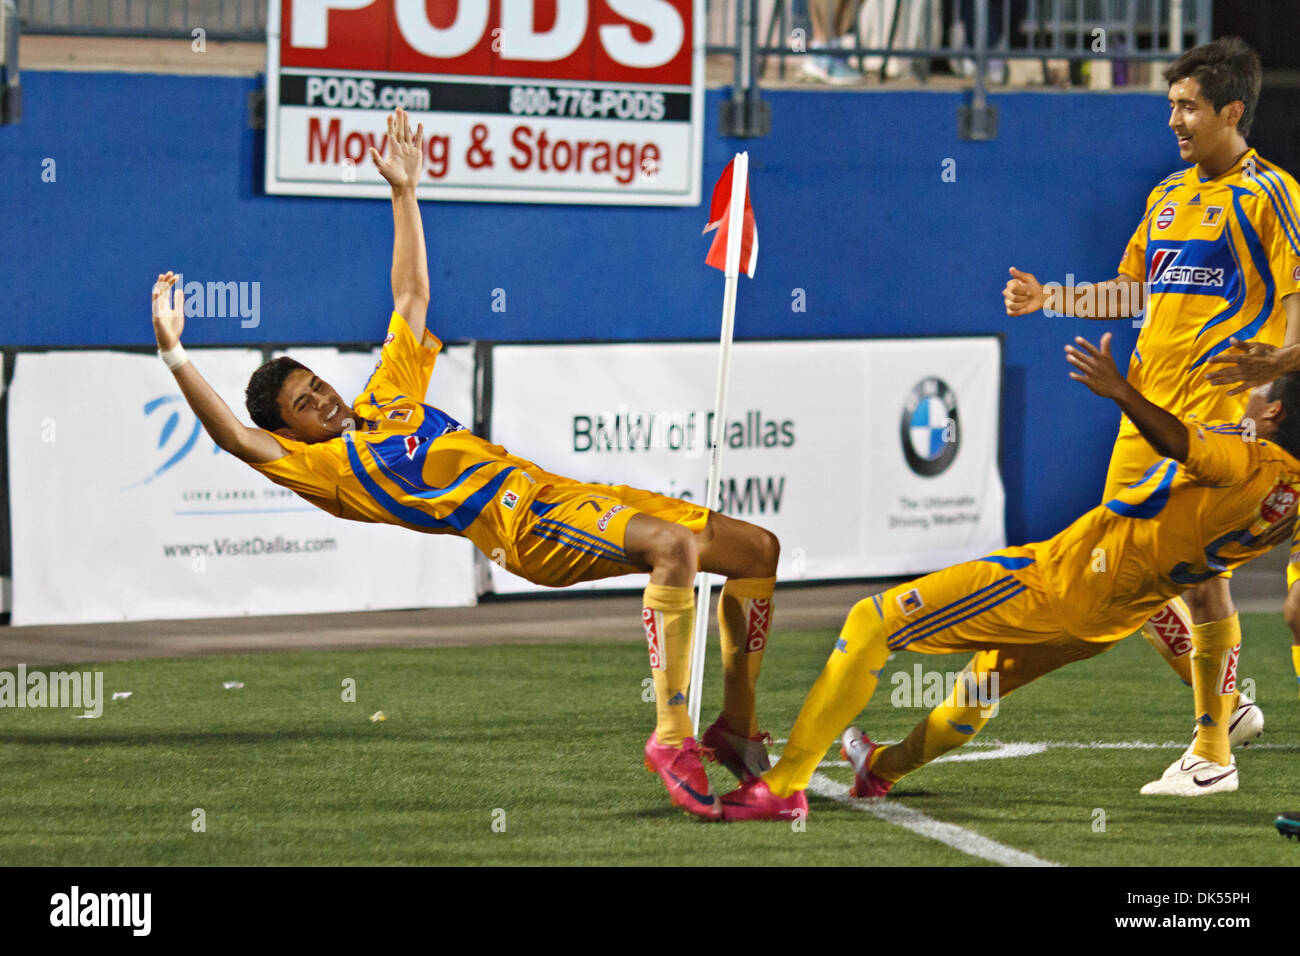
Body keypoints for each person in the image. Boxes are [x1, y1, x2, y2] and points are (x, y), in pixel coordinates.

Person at [148, 108, 780, 822]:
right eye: (302, 403)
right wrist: (175, 353)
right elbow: (234, 436)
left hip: (563, 492)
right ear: (288, 430)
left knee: (756, 550)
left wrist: (404, 192)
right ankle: (672, 738)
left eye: (315, 383)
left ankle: (735, 726)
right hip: (525, 528)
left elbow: (412, 295)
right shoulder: (326, 469)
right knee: (672, 549)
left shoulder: (387, 393)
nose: (321, 398)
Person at [721, 332, 1300, 820]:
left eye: (1259, 391)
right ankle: (881, 768)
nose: (1247, 393)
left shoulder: (1246, 457)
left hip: (1057, 582)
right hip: (1102, 624)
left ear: (1273, 413)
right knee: (980, 687)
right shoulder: (1290, 497)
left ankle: (781, 785)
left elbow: (1180, 441)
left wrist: (1122, 391)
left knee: (872, 619)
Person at [1002, 37, 1300, 778]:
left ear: (1231, 111)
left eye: (1188, 107)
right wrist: (1052, 300)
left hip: (1209, 420)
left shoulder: (1270, 194)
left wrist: (1284, 361)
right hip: (1146, 418)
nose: (1174, 119)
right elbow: (1132, 292)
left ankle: (1213, 748)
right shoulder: (1167, 198)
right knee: (1121, 575)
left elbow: (1296, 296)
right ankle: (1226, 711)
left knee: (1191, 574)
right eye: (1170, 105)